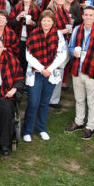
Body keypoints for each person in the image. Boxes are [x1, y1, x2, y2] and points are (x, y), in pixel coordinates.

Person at [65, 6, 94, 140]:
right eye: (86, 15)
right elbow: (71, 46)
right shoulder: (77, 29)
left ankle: (90, 126)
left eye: (91, 15)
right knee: (79, 99)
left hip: (93, 71)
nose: (88, 17)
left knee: (91, 101)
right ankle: (79, 122)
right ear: (83, 16)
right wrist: (73, 52)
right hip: (77, 69)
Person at [22, 10, 68, 142]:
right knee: (33, 103)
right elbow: (28, 55)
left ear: (53, 22)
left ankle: (42, 128)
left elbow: (62, 55)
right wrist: (42, 69)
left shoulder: (58, 35)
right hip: (36, 73)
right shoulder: (33, 34)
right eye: (44, 20)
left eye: (49, 20)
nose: (46, 22)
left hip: (51, 74)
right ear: (40, 21)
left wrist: (49, 69)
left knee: (44, 103)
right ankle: (27, 130)